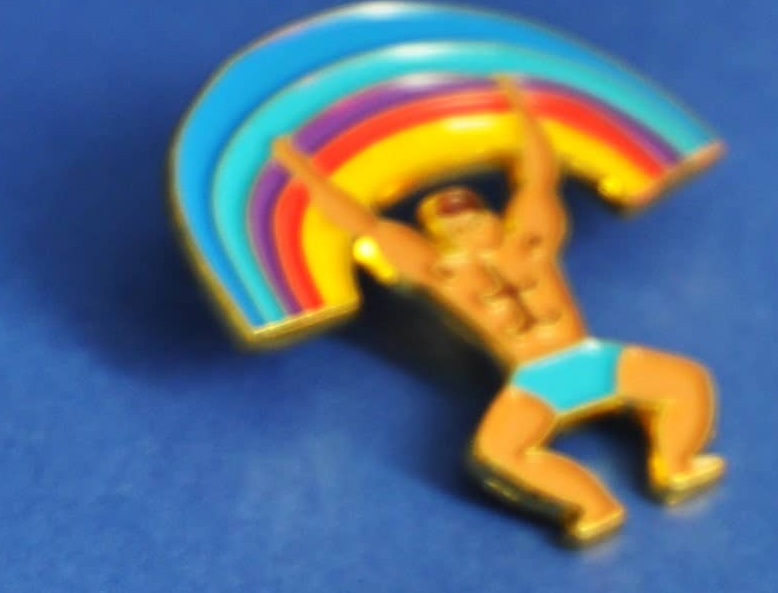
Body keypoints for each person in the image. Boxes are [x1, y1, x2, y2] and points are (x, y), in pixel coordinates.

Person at [272, 78, 723, 541]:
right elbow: (361, 224)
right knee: (498, 453)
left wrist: (522, 105)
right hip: (533, 382)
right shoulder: (442, 275)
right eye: (450, 225)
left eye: (470, 215)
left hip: (590, 356)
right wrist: (298, 168)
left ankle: (676, 465)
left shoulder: (530, 245)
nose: (463, 227)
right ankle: (593, 505)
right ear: (436, 238)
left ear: (491, 216)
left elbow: (538, 176)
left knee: (687, 382)